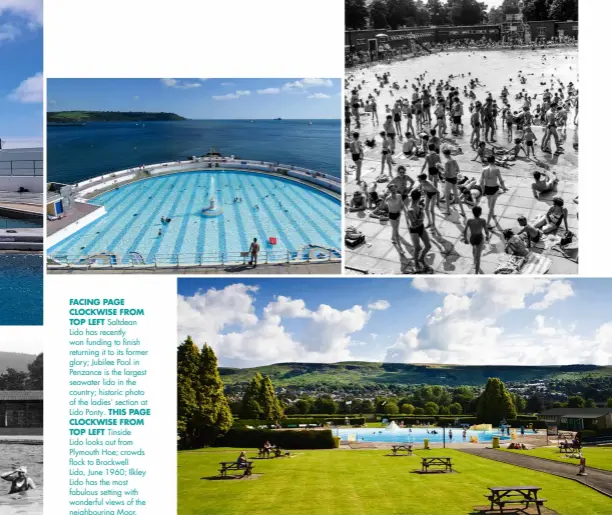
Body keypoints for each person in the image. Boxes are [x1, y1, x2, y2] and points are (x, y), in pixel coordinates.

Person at [406, 189, 431, 271]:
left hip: (421, 227)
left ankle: (421, 258)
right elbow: (414, 224)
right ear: (418, 198)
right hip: (414, 230)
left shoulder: (418, 205)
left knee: (428, 246)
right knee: (418, 248)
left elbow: (419, 220)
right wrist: (422, 214)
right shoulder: (410, 209)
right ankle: (416, 264)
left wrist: (421, 211)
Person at [480, 155, 508, 228]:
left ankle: (492, 214)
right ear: (494, 160)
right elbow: (501, 180)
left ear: (488, 161)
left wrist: (483, 190)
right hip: (494, 188)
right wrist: (504, 187)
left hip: (487, 188)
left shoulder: (484, 169)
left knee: (489, 202)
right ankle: (487, 223)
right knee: (492, 206)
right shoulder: (496, 169)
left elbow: (481, 182)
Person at [441, 148, 466, 218]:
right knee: (457, 196)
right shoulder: (454, 161)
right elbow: (458, 170)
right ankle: (463, 212)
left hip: (448, 180)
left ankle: (448, 211)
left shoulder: (446, 163)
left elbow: (445, 174)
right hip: (454, 179)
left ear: (445, 155)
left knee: (447, 195)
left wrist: (441, 171)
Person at [464, 206, 489, 274]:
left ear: (473, 213)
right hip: (479, 238)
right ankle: (476, 273)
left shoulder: (469, 221)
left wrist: (465, 239)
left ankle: (474, 261)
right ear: (480, 213)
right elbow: (486, 231)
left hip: (472, 238)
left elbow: (465, 231)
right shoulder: (483, 221)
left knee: (474, 248)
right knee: (478, 257)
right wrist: (487, 236)